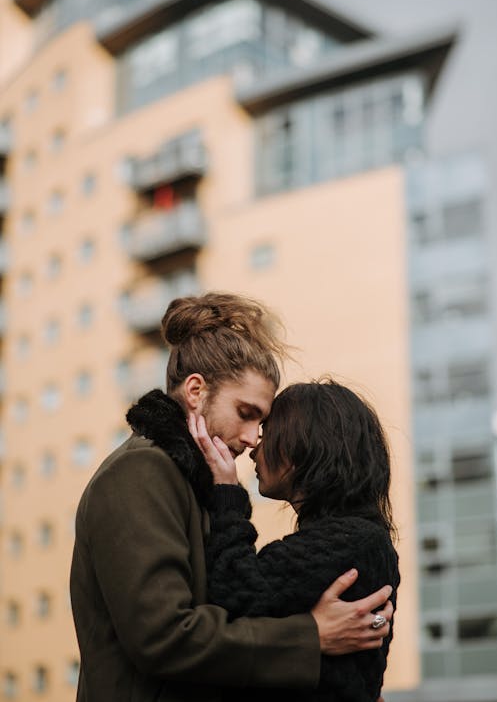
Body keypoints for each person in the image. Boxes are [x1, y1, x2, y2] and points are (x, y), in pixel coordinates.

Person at [70, 293, 394, 702]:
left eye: (262, 420)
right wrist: (311, 636)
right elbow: (163, 636)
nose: (253, 437)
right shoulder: (141, 472)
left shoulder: (192, 482)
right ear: (195, 391)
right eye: (245, 413)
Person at [192, 377, 400, 702]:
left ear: (303, 447)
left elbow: (233, 594)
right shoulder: (359, 537)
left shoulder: (350, 541)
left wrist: (227, 495)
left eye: (267, 432)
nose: (253, 449)